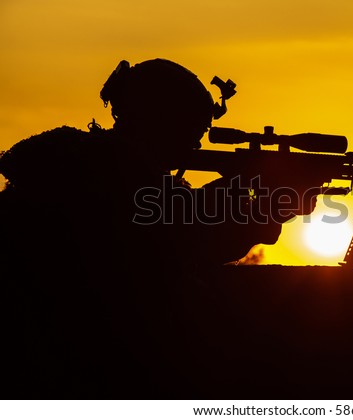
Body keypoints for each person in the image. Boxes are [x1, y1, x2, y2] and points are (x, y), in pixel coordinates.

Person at [0, 58, 318, 397]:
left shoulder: (94, 164)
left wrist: (263, 207)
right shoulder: (96, 172)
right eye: (191, 133)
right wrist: (261, 207)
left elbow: (189, 226)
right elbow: (177, 238)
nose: (196, 146)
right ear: (159, 122)